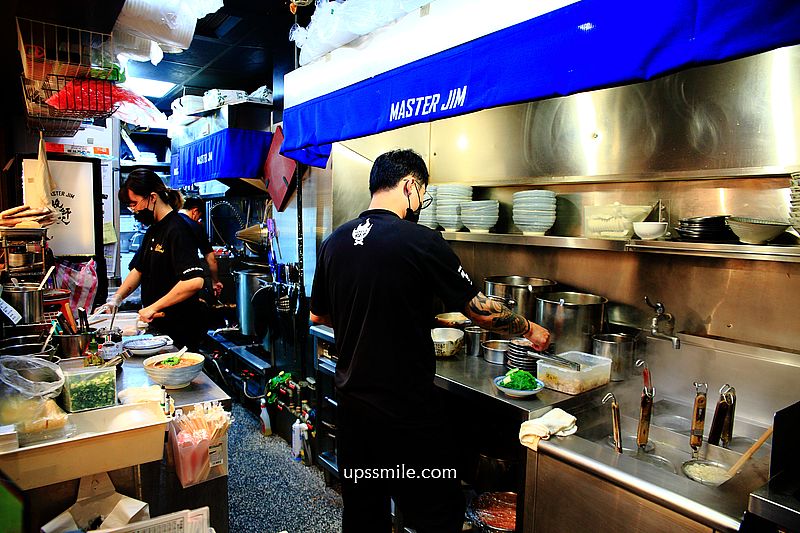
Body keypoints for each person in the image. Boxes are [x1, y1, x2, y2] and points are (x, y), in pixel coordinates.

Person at [309, 149, 550, 533]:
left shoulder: (336, 241)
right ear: (410, 186)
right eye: (423, 192)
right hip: (406, 417)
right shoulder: (421, 240)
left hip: (354, 411)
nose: (422, 202)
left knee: (363, 516)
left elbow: (319, 314)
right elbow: (481, 311)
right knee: (438, 516)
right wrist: (530, 329)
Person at [99, 169, 206, 351]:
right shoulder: (154, 229)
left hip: (179, 330)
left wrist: (153, 307)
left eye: (135, 204)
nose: (134, 210)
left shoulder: (177, 229)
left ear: (153, 197)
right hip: (160, 329)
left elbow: (194, 282)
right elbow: (138, 270)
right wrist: (116, 299)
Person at [179, 196, 223, 298]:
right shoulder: (195, 226)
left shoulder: (168, 222)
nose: (198, 220)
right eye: (199, 217)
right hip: (187, 280)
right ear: (195, 211)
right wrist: (215, 281)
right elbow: (212, 260)